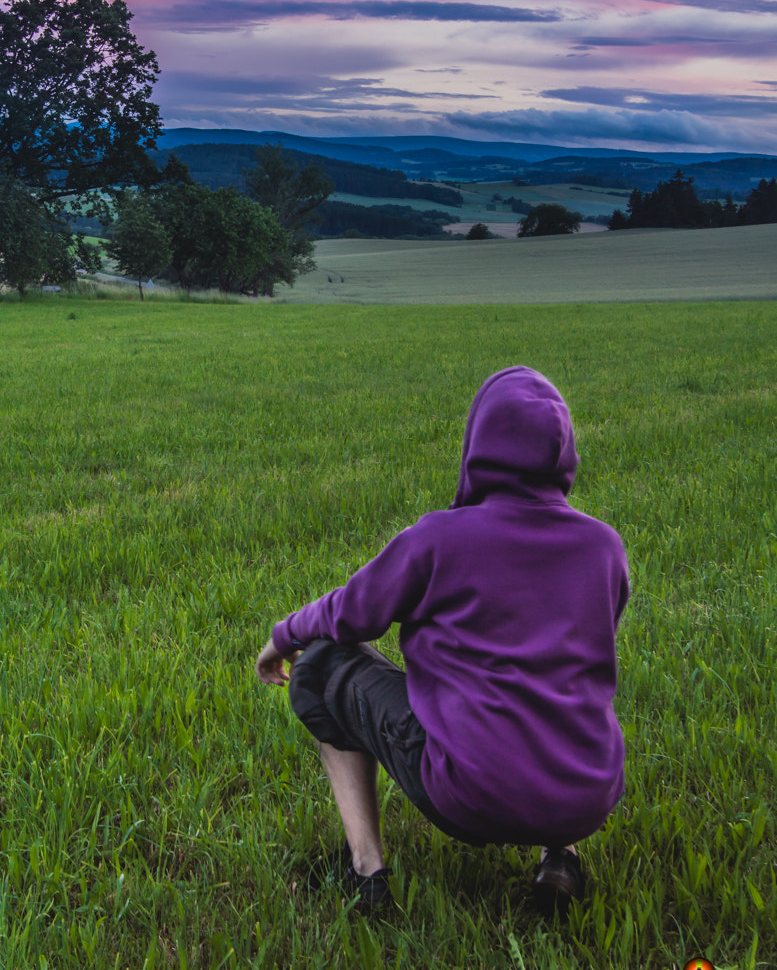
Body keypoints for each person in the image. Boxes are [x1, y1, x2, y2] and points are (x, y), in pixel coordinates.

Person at [255, 366, 630, 914]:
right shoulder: (604, 548)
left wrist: (284, 634)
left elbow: (350, 613)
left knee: (321, 664)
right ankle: (561, 858)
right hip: (587, 795)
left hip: (470, 793)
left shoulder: (439, 539)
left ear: (478, 444)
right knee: (555, 677)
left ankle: (369, 873)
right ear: (562, 448)